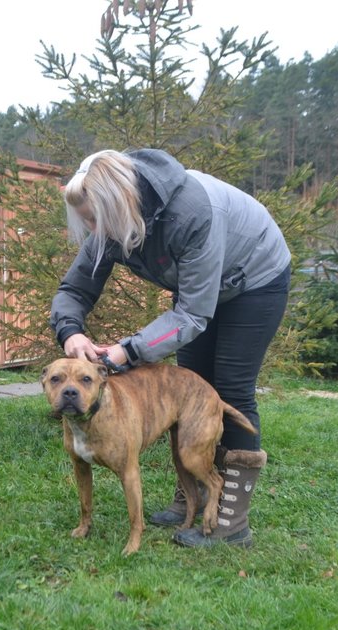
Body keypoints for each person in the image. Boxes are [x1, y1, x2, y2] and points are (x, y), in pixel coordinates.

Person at [50, 149, 291, 548]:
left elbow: (193, 315)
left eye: (95, 219)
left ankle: (232, 522)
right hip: (198, 291)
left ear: (119, 204)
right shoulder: (107, 223)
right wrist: (71, 331)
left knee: (230, 387)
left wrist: (128, 350)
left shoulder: (192, 212)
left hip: (255, 279)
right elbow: (75, 288)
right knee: (189, 385)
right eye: (85, 221)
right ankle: (190, 498)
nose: (92, 229)